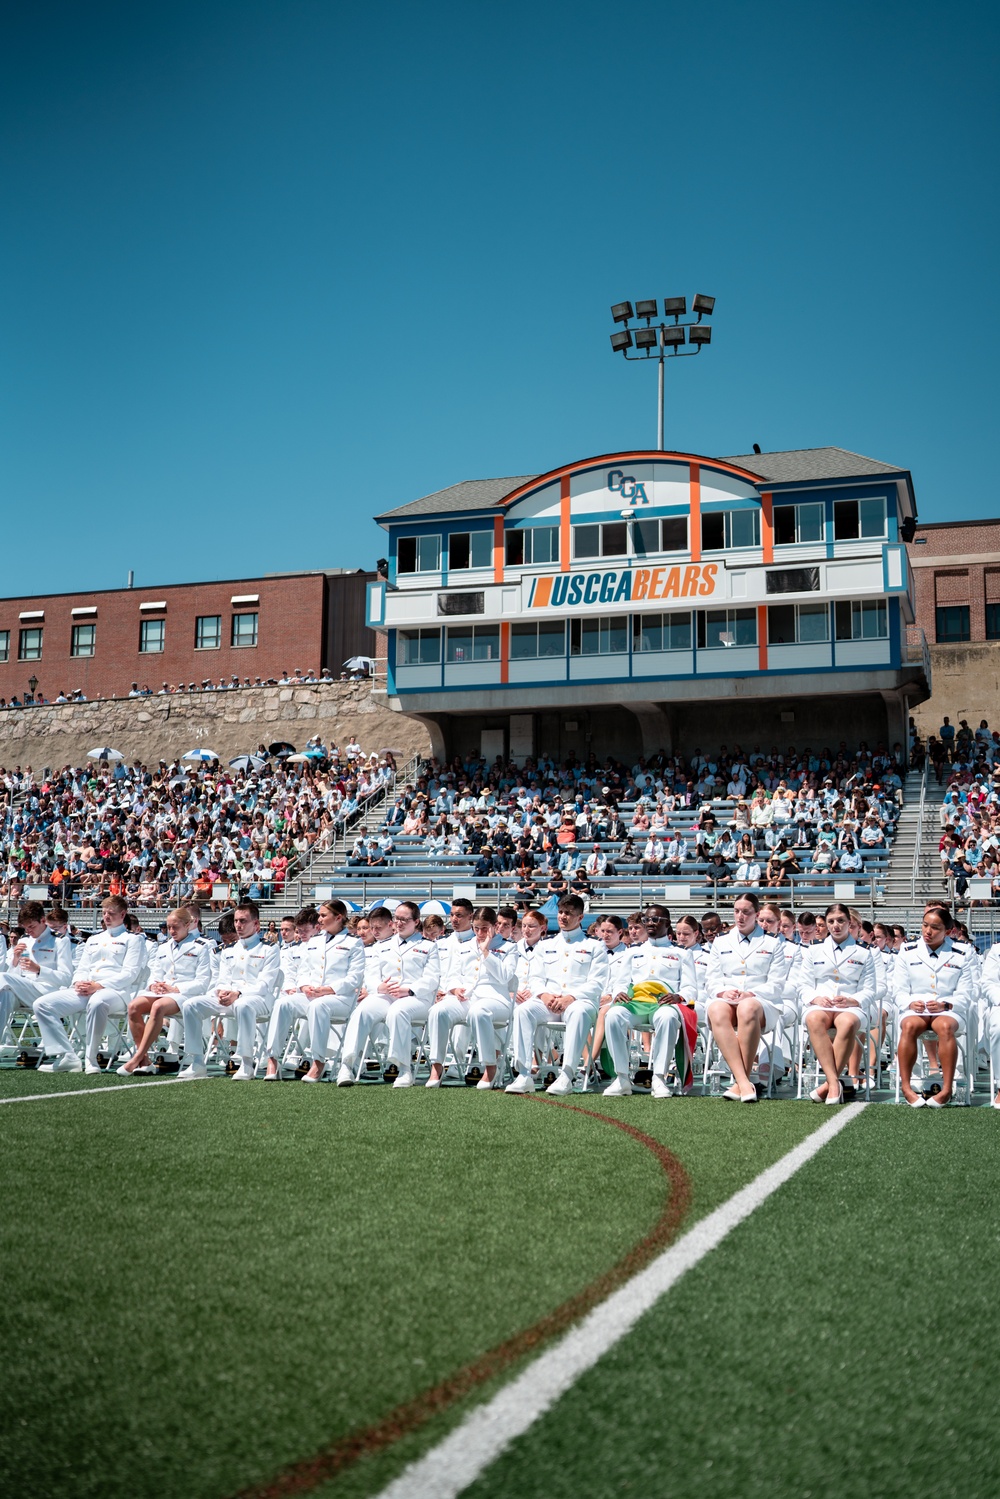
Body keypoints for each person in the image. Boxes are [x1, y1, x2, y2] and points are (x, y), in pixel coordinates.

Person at [504, 894, 609, 1096]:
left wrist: (570, 997)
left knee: (578, 1013)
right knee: (523, 1011)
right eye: (561, 912)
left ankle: (566, 1076)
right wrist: (542, 995)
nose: (563, 917)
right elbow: (534, 978)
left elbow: (596, 983)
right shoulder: (546, 945)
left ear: (580, 917)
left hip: (579, 1002)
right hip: (549, 1002)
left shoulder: (595, 946)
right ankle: (524, 1074)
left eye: (569, 913)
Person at [34, 896, 146, 1073]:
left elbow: (129, 974)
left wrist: (98, 985)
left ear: (123, 914)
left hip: (116, 992)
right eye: (104, 913)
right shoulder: (94, 939)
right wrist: (78, 982)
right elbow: (82, 967)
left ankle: (91, 1057)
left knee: (98, 1002)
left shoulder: (133, 939)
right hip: (87, 989)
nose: (106, 917)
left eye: (111, 913)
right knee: (42, 1004)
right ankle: (68, 1056)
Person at [336, 901, 440, 1088]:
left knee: (398, 1011)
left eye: (404, 919)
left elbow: (432, 978)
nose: (399, 923)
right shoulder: (382, 945)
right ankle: (347, 1064)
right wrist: (379, 986)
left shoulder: (429, 946)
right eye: (397, 919)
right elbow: (371, 975)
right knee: (362, 1010)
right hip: (385, 995)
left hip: (415, 998)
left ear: (416, 921)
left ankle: (403, 1068)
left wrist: (409, 989)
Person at [178, 901, 281, 1080]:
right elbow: (223, 979)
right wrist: (222, 991)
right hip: (230, 999)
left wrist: (238, 994)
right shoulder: (228, 950)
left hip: (259, 1000)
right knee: (190, 1005)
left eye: (243, 921)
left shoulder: (269, 948)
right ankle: (196, 1062)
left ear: (256, 924)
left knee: (243, 1005)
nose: (238, 925)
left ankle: (246, 1063)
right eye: (236, 921)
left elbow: (265, 984)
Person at [264, 899, 365, 1082]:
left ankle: (318, 1062)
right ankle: (272, 1059)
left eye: (324, 915)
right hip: (312, 995)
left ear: (338, 917)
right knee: (282, 1003)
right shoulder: (315, 941)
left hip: (340, 998)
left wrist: (327, 989)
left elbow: (354, 978)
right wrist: (304, 986)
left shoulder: (354, 943)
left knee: (318, 1006)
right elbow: (304, 970)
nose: (319, 919)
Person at [603, 905, 698, 1098]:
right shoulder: (633, 951)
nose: (650, 924)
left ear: (667, 924)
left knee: (668, 1018)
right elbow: (620, 982)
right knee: (613, 1015)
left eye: (656, 920)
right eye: (647, 920)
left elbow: (690, 988)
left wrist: (678, 997)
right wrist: (619, 992)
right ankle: (621, 1077)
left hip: (663, 1003)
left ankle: (659, 1077)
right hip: (635, 1003)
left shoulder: (681, 952)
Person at [893, 904, 976, 1107]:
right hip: (916, 1007)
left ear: (948, 932)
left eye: (935, 928)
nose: (928, 931)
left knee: (945, 1027)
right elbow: (898, 989)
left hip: (949, 1008)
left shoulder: (963, 952)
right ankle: (906, 1087)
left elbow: (968, 992)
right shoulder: (907, 950)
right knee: (910, 1026)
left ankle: (947, 1089)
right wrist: (910, 1003)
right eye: (925, 925)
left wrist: (947, 1005)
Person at [426, 906, 515, 1089]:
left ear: (495, 926)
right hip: (466, 997)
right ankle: (437, 1065)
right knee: (437, 1011)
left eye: (485, 928)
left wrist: (486, 953)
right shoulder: (464, 947)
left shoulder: (508, 947)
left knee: (478, 1011)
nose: (480, 933)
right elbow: (452, 974)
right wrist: (454, 988)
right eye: (476, 928)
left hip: (496, 1000)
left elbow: (505, 977)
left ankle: (490, 1066)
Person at [117, 906, 214, 1074]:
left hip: (185, 994)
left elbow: (202, 982)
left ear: (187, 924)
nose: (171, 931)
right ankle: (145, 1059)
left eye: (175, 927)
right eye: (169, 927)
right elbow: (155, 973)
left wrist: (175, 988)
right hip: (161, 991)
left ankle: (136, 1057)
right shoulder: (163, 947)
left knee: (158, 1007)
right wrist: (153, 984)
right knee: (133, 1006)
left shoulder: (201, 947)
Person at [704, 893, 781, 1102]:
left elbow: (776, 984)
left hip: (761, 1003)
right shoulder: (720, 942)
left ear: (756, 914)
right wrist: (722, 992)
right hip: (728, 1000)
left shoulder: (772, 943)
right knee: (716, 1009)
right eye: (737, 911)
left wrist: (751, 994)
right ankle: (744, 1083)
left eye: (746, 912)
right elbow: (711, 980)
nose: (740, 916)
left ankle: (740, 1082)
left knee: (747, 1006)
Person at [798, 903, 877, 1104]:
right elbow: (803, 985)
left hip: (851, 1006)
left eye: (841, 921)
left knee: (848, 1023)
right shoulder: (813, 950)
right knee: (814, 1018)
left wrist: (853, 1000)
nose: (836, 925)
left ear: (849, 923)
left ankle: (828, 1084)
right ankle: (834, 1083)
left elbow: (870, 989)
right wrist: (815, 998)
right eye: (831, 921)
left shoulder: (863, 952)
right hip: (821, 1003)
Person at [0, 900, 73, 1045]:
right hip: (23, 991)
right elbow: (14, 977)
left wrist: (39, 970)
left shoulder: (60, 941)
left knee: (1, 977)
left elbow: (66, 978)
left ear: (43, 920)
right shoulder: (25, 941)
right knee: (5, 994)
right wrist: (15, 960)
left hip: (47, 992)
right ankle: (4, 1041)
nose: (28, 931)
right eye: (25, 928)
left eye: (31, 926)